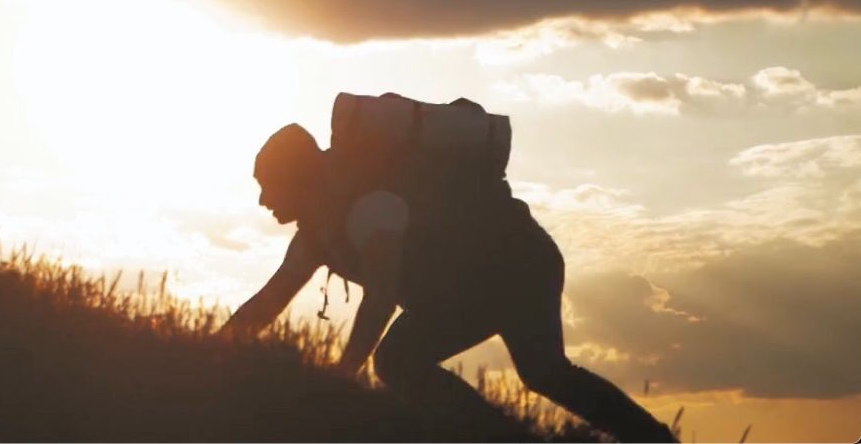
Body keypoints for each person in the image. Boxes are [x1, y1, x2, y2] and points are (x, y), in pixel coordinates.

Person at [219, 121, 674, 443]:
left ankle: (508, 437)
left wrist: (341, 377)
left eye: (269, 185)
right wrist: (215, 355)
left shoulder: (370, 209)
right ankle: (500, 435)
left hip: (516, 266)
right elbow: (268, 302)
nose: (263, 200)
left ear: (300, 180)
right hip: (467, 285)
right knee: (535, 372)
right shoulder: (317, 234)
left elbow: (379, 298)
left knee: (529, 371)